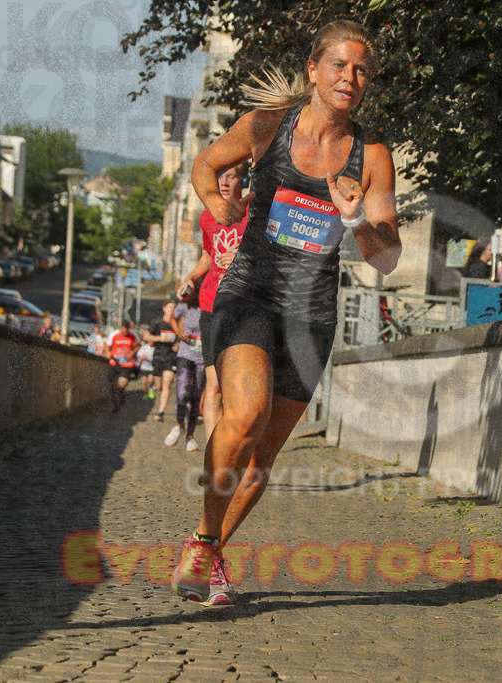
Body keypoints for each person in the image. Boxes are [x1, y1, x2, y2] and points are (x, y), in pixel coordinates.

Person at [169, 19, 401, 607]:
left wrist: (353, 220)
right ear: (313, 71)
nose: (351, 78)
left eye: (361, 70)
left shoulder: (372, 156)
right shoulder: (267, 126)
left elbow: (389, 256)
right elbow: (204, 164)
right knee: (245, 414)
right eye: (339, 66)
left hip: (311, 314)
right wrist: (220, 206)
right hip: (249, 292)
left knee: (261, 459)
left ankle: (210, 551)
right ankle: (202, 542)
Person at [176, 165, 249, 441]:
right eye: (221, 177)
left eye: (232, 176)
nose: (226, 183)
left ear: (242, 179)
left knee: (237, 385)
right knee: (215, 384)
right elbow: (209, 254)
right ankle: (213, 458)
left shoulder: (253, 215)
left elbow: (271, 256)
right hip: (210, 304)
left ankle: (233, 447)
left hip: (242, 306)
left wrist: (241, 261)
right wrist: (191, 278)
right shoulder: (208, 217)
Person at [165, 290, 206, 452]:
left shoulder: (212, 304)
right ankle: (179, 425)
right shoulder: (185, 305)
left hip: (203, 357)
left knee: (196, 396)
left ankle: (190, 436)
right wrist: (179, 333)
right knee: (182, 392)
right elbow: (172, 317)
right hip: (186, 353)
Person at [142, 300, 180, 421]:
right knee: (159, 386)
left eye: (174, 308)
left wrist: (179, 345)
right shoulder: (157, 322)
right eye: (169, 307)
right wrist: (159, 338)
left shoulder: (178, 324)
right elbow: (145, 336)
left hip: (171, 357)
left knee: (167, 384)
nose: (171, 310)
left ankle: (161, 411)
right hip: (158, 356)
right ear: (164, 309)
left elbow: (183, 338)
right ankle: (155, 391)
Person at [104, 319, 139, 414]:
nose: (126, 332)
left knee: (121, 384)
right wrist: (108, 353)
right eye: (124, 329)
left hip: (127, 364)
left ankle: (122, 392)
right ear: (121, 328)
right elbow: (107, 346)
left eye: (127, 330)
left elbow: (138, 345)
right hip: (115, 363)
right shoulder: (114, 335)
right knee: (113, 387)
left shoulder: (133, 335)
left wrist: (133, 352)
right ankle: (117, 406)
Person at [136, 334, 157, 400]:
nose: (151, 341)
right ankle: (146, 393)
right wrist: (143, 357)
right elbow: (138, 355)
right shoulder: (144, 347)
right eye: (150, 340)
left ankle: (151, 389)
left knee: (150, 380)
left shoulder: (156, 348)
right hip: (144, 367)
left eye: (152, 340)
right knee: (144, 384)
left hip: (152, 368)